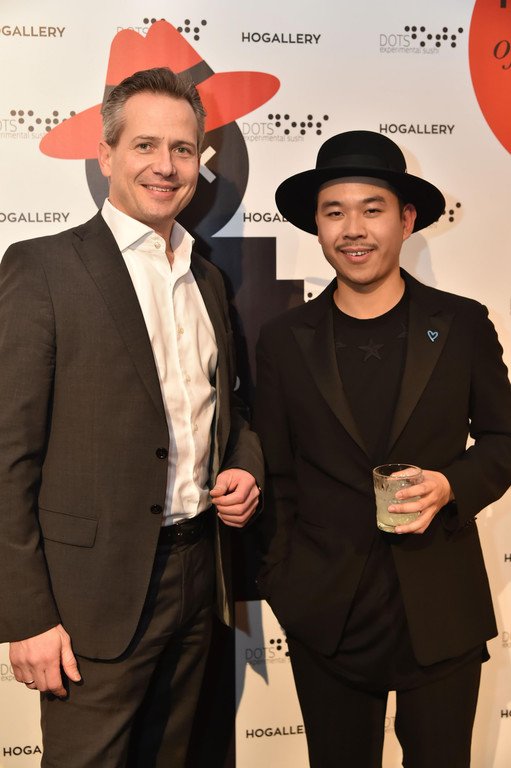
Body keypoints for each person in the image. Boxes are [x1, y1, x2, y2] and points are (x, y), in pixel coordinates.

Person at [0, 67, 263, 767]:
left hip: (199, 577)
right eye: (145, 145)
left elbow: (227, 409)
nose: (165, 165)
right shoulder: (42, 268)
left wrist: (242, 463)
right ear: (105, 154)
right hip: (91, 597)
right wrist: (26, 615)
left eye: (182, 149)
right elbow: (6, 454)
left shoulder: (207, 279)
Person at [254, 130, 511, 768]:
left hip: (441, 607)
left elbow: (505, 440)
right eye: (334, 212)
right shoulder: (283, 339)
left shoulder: (462, 324)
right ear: (316, 225)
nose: (354, 230)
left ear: (407, 219)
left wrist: (452, 485)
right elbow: (276, 473)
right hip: (326, 615)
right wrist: (286, 584)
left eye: (372, 209)